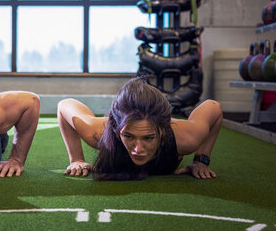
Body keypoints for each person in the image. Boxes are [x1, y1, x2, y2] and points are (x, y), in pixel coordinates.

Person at [57, 77, 222, 180]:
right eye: (129, 136)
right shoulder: (97, 132)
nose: (138, 149)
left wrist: (201, 160)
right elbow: (64, 105)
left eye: (148, 138)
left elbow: (213, 107)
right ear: (116, 130)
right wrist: (76, 159)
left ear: (163, 132)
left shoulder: (187, 138)